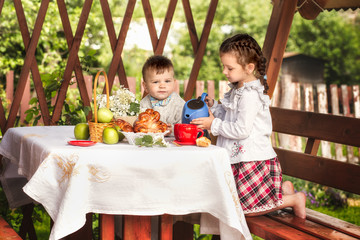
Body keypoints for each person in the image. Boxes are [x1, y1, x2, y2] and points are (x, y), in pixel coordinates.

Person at [191, 33, 306, 218]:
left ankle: (294, 199)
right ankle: (284, 191)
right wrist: (214, 107)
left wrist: (213, 124)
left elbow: (241, 129)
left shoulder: (250, 95)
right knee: (231, 205)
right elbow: (230, 115)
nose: (224, 71)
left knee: (243, 210)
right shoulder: (238, 89)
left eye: (229, 67)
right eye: (224, 66)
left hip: (252, 161)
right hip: (240, 159)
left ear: (249, 67)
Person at [141, 55, 185, 135]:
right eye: (156, 82)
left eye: (167, 81)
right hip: (150, 144)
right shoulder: (143, 104)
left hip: (174, 145)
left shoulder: (179, 104)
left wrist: (173, 130)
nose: (162, 86)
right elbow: (138, 125)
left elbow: (185, 126)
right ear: (145, 86)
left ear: (174, 83)